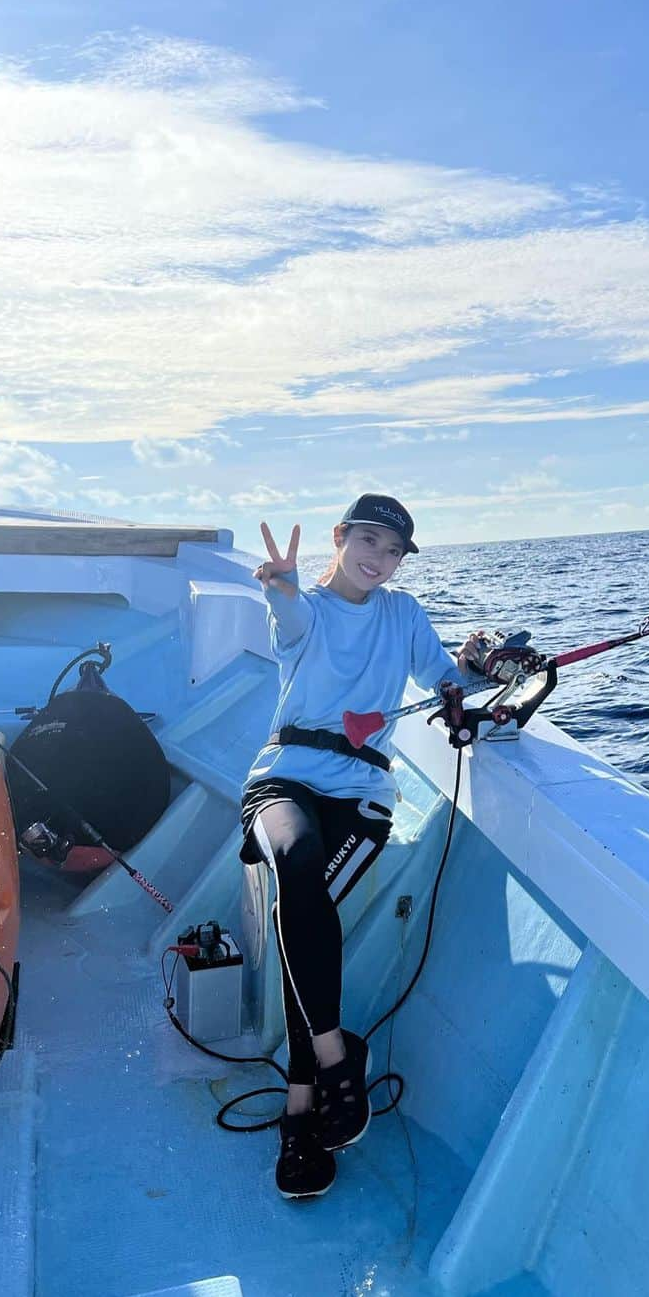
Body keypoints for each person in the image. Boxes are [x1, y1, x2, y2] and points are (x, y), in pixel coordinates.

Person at [239, 494, 482, 1201]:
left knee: (301, 911)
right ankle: (333, 1058)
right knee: (298, 862)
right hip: (282, 782)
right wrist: (280, 587)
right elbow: (287, 620)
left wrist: (475, 665)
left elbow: (444, 680)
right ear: (340, 538)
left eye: (394, 550)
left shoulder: (403, 614)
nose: (379, 559)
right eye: (368, 540)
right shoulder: (305, 607)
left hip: (362, 797)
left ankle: (299, 1111)